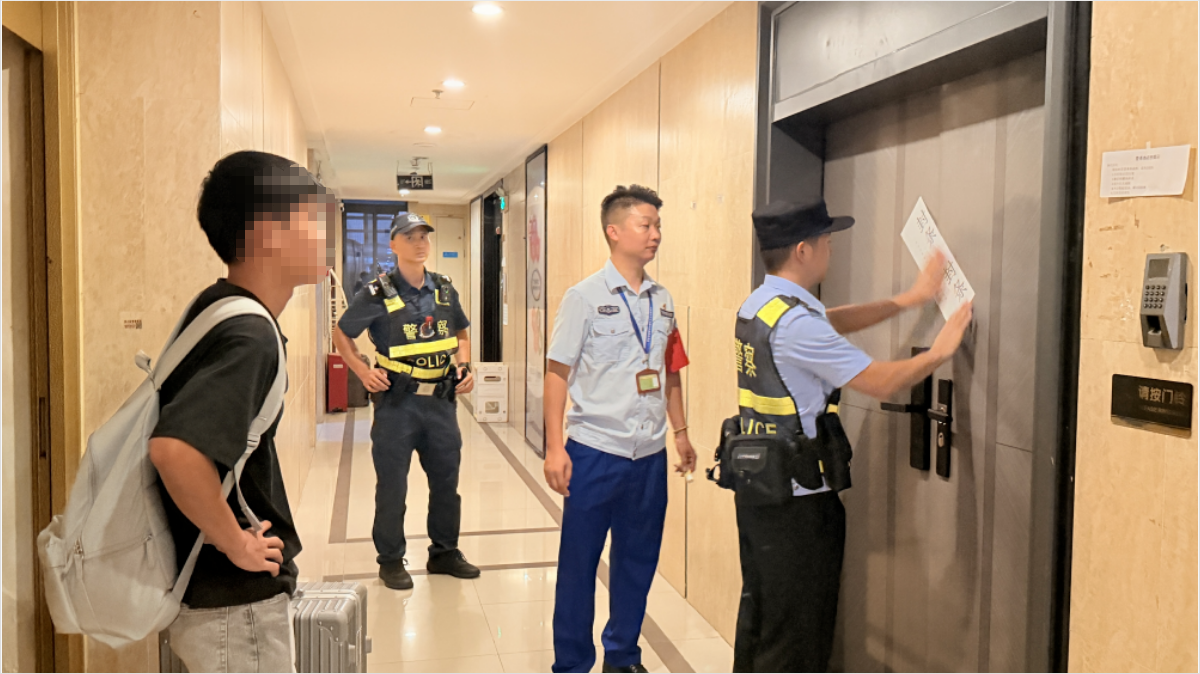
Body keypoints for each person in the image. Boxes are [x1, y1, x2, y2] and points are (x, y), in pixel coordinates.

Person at [729, 199, 973, 673]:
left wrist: (909, 299)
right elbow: (880, 381)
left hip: (760, 492)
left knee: (763, 618)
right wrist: (939, 352)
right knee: (798, 634)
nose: (831, 248)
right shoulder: (796, 324)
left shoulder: (764, 305)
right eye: (826, 240)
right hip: (798, 504)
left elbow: (831, 320)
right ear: (803, 250)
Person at [149, 151, 333, 672]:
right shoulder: (250, 335)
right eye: (312, 219)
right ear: (268, 232)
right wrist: (236, 543)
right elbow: (175, 449)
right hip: (233, 603)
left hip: (212, 597)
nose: (326, 236)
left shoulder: (218, 307)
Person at [543, 185, 697, 674]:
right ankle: (572, 663)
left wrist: (680, 432)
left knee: (637, 560)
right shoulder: (584, 297)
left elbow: (670, 370)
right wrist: (554, 448)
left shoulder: (662, 300)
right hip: (595, 450)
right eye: (645, 225)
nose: (655, 235)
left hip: (648, 455)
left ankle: (623, 656)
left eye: (658, 226)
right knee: (579, 564)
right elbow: (557, 373)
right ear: (614, 231)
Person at [332, 212, 478, 591]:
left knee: (446, 483)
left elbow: (461, 332)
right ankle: (391, 559)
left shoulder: (443, 288)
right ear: (393, 244)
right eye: (410, 237)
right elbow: (342, 332)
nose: (419, 243)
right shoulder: (378, 292)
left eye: (423, 236)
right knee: (393, 486)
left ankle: (444, 552)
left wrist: (465, 365)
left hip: (441, 403)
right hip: (398, 404)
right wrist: (361, 370)